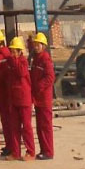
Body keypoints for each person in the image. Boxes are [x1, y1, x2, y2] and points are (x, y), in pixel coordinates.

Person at [5, 36, 35, 160]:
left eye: (14, 51)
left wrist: (14, 60)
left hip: (24, 98)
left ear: (19, 51)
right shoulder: (10, 62)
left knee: (26, 127)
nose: (12, 54)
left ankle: (30, 152)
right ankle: (15, 152)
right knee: (14, 127)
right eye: (11, 51)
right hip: (14, 98)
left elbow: (21, 73)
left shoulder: (23, 62)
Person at [30, 31, 55, 160]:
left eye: (38, 44)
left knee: (45, 126)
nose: (36, 46)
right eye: (35, 44)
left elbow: (50, 77)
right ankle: (43, 150)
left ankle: (48, 152)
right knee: (40, 126)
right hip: (38, 98)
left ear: (43, 46)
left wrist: (38, 87)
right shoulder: (36, 59)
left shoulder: (45, 59)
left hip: (44, 98)